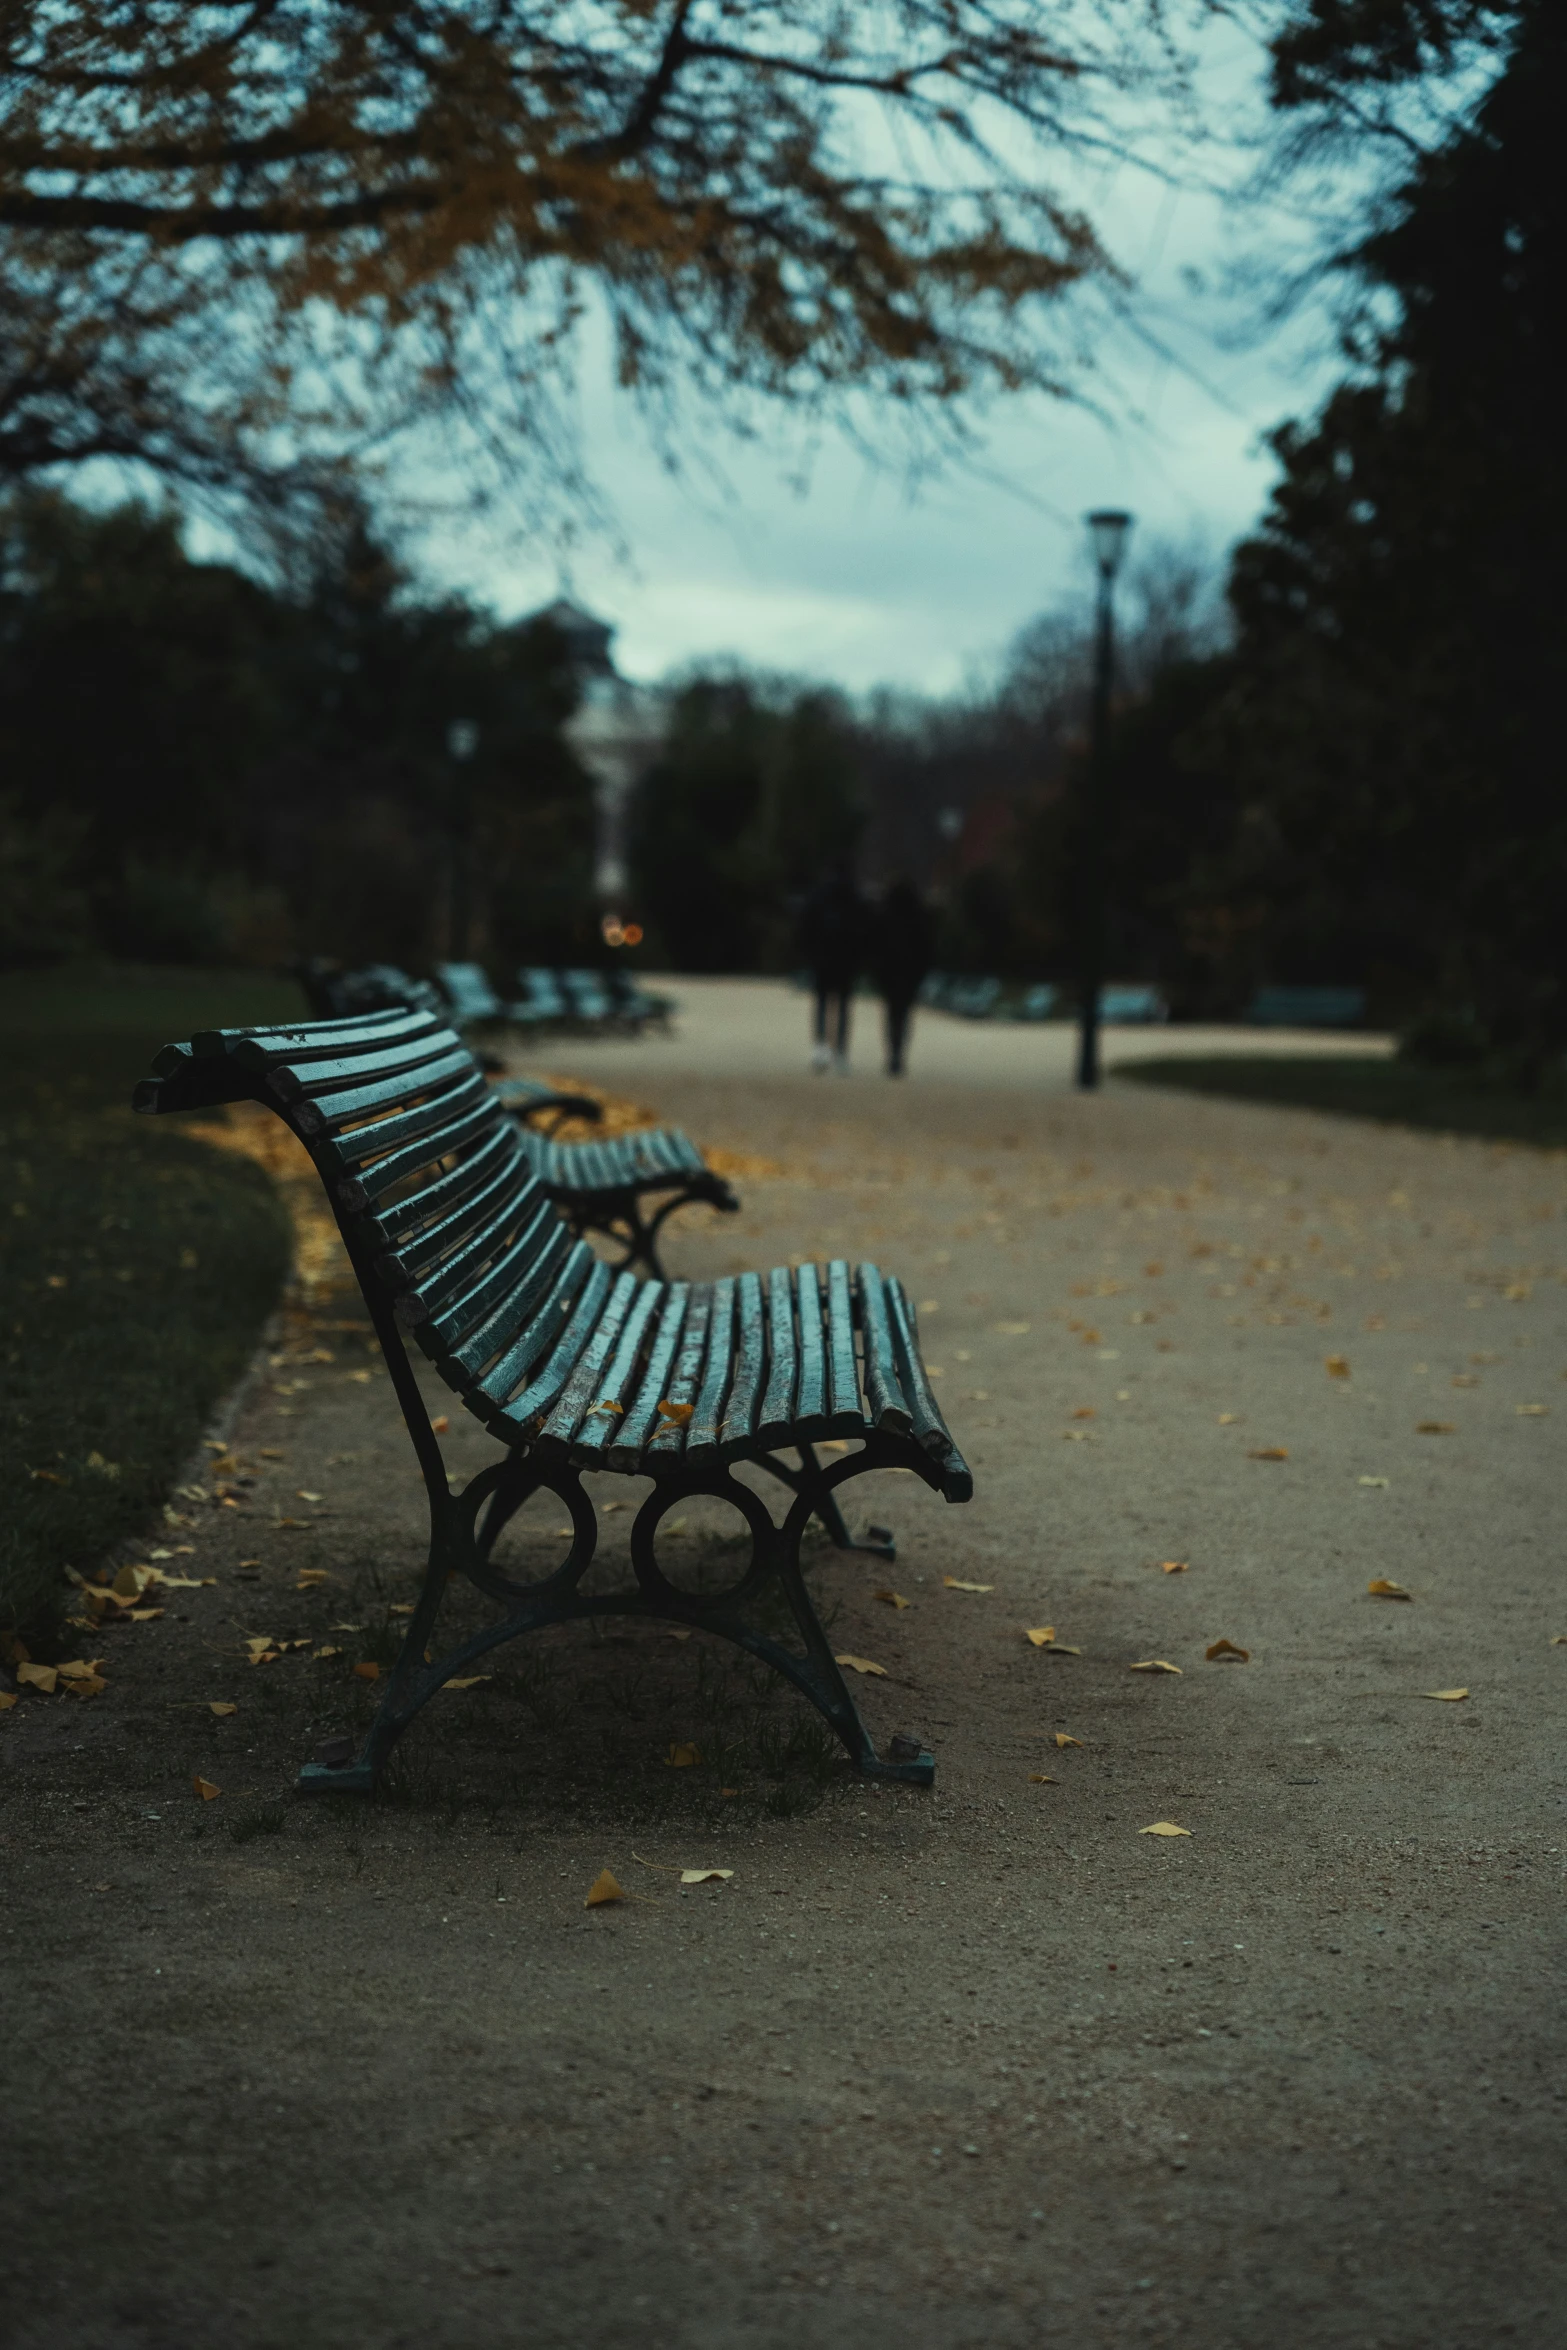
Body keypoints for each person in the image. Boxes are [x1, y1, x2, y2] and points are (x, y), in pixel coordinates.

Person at [796, 860, 866, 1074]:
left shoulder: (818, 895)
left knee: (822, 1003)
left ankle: (820, 1048)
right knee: (843, 1007)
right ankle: (841, 1052)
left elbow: (806, 926)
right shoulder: (854, 896)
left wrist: (809, 954)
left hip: (822, 958)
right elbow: (862, 930)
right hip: (846, 960)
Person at [872, 877, 937, 1077]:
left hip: (890, 971)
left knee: (892, 1014)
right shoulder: (918, 916)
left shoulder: (885, 915)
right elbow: (926, 948)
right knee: (904, 1015)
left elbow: (875, 946)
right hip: (909, 973)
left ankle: (892, 1053)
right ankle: (899, 1054)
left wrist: (877, 971)